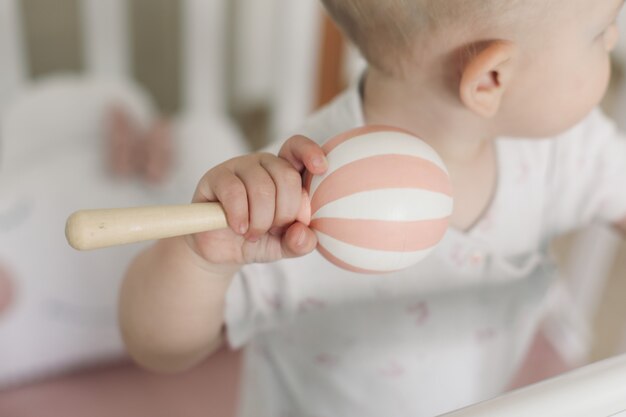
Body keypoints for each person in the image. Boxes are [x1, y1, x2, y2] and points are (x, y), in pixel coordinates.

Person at [118, 0, 626, 415]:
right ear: (490, 78)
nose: (612, 41)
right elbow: (156, 345)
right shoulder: (296, 201)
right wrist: (201, 258)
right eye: (602, 32)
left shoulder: (564, 150)